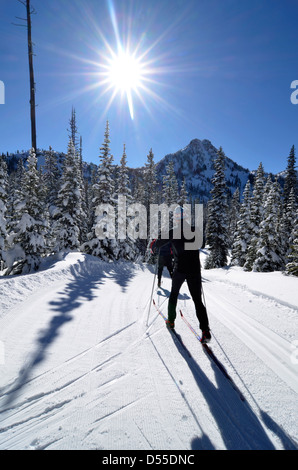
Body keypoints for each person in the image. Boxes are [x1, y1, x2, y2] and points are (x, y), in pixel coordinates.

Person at [151, 206, 211, 344]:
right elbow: (203, 243)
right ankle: (205, 330)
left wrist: (154, 244)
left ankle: (171, 322)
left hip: (180, 270)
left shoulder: (173, 232)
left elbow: (157, 245)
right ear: (187, 217)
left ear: (176, 218)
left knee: (173, 295)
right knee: (197, 300)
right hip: (194, 270)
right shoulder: (195, 230)